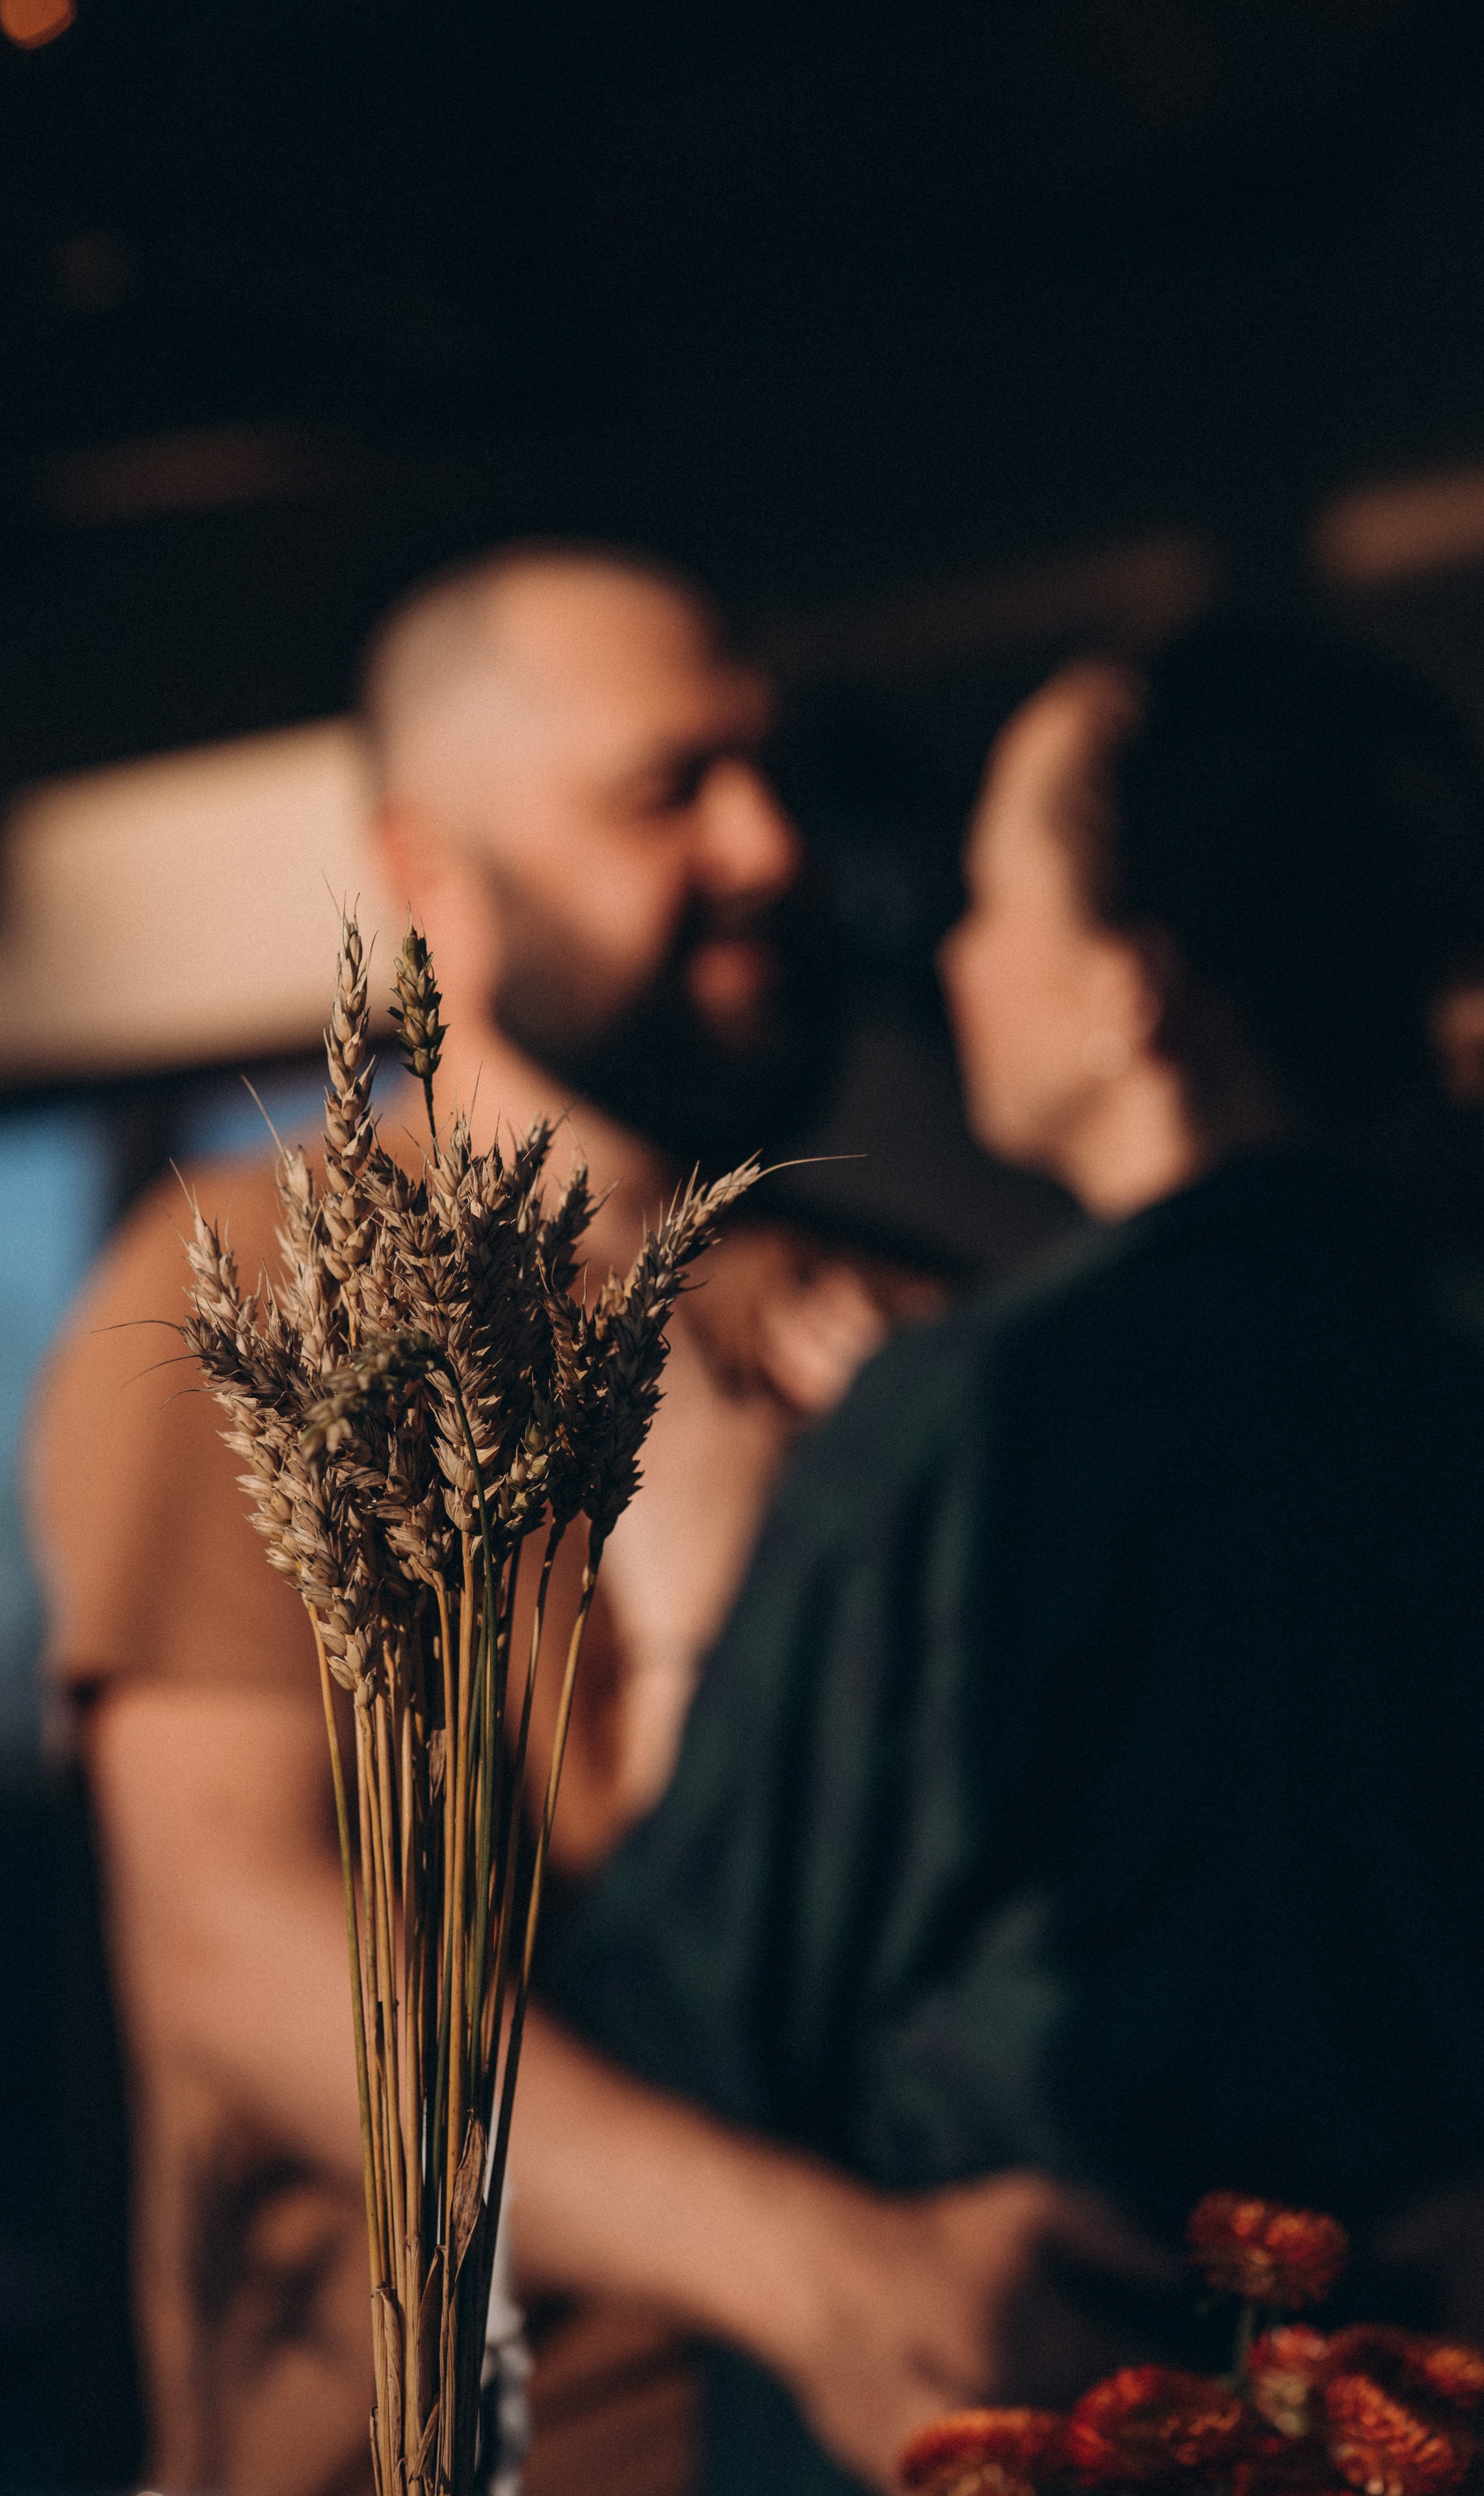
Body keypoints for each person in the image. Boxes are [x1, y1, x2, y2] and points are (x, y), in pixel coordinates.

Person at [507, 615, 1484, 2496]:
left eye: (987, 891)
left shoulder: (984, 1425)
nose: (953, 952)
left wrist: (714, 1601)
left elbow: (679, 2030)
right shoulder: (1427, 1371)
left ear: (1139, 988)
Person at [27, 543, 944, 2496]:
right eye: (663, 789)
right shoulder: (257, 1295)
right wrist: (832, 2284)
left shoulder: (907, 1338)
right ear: (427, 864)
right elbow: (228, 1945)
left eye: (769, 773)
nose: (769, 845)